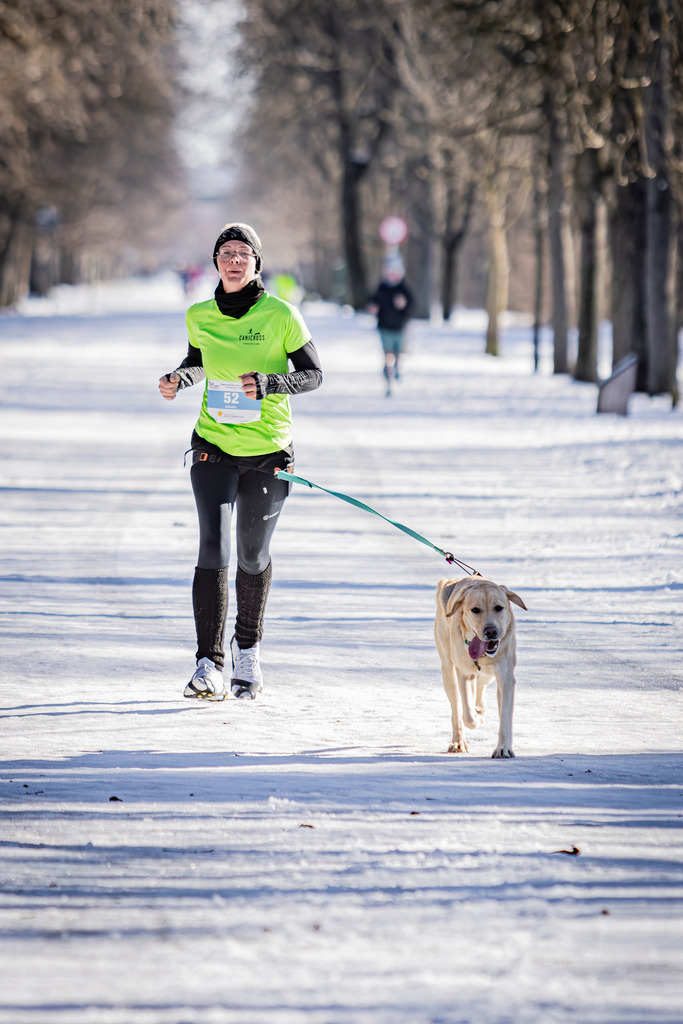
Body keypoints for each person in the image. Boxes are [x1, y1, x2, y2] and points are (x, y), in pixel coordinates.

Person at [159, 223, 322, 701]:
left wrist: (271, 384)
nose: (234, 260)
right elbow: (198, 362)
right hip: (213, 443)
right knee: (214, 547)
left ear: (257, 263)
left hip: (269, 450)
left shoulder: (281, 314)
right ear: (215, 262)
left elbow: (313, 375)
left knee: (252, 554)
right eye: (225, 252)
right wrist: (177, 379)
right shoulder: (199, 314)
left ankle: (246, 648)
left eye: (243, 253)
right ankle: (207, 662)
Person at [367, 256, 414, 395]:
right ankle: (389, 382)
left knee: (397, 354)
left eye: (395, 272)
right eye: (390, 272)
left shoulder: (404, 288)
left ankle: (397, 366)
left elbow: (412, 307)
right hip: (384, 327)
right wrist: (373, 308)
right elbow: (372, 301)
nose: (392, 275)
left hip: (399, 328)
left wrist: (404, 305)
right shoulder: (382, 287)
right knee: (388, 355)